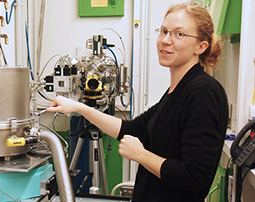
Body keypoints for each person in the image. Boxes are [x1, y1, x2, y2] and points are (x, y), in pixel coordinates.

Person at [46, 2, 229, 202]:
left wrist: (140, 155)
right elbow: (130, 129)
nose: (166, 40)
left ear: (201, 46)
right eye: (164, 31)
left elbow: (194, 177)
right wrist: (79, 107)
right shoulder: (177, 91)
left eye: (179, 34)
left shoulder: (203, 92)